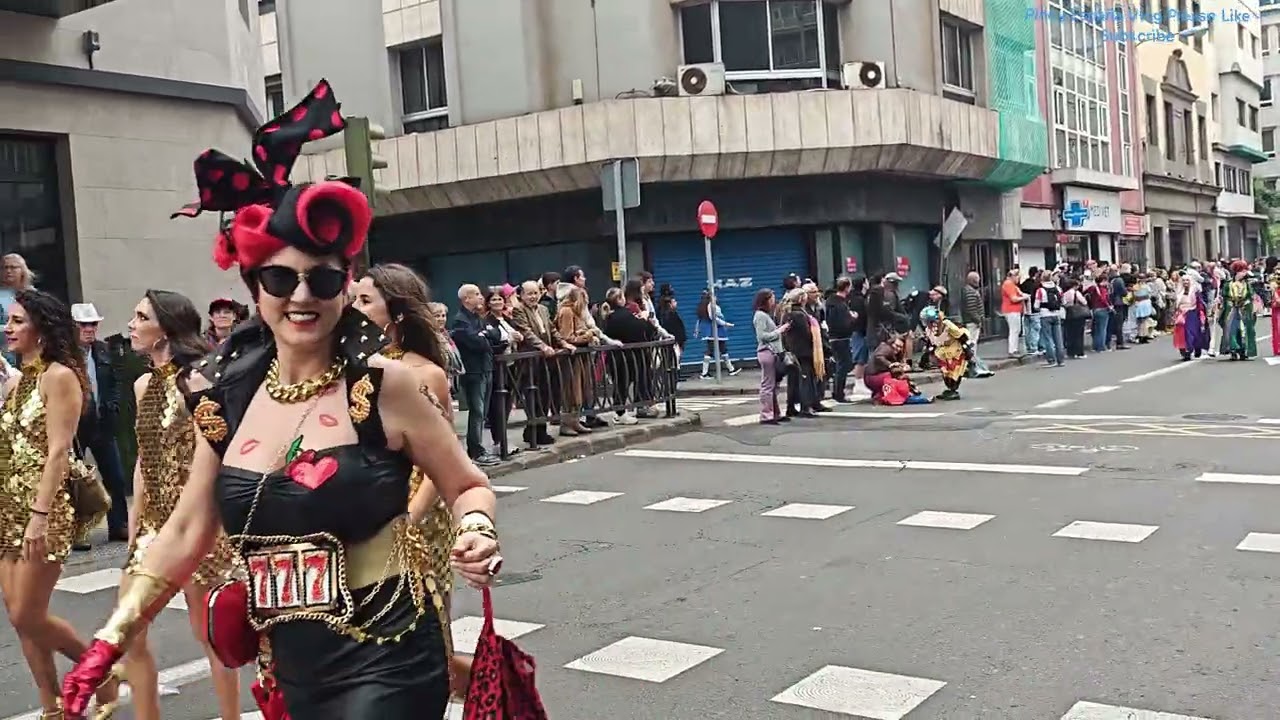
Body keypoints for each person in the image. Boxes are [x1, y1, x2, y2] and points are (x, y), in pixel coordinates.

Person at [61, 81, 500, 720]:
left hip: (388, 646)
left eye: (322, 278)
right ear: (254, 286)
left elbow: (468, 484)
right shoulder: (224, 400)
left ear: (344, 287)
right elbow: (186, 528)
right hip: (289, 660)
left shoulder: (384, 386)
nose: (302, 296)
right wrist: (111, 638)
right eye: (279, 278)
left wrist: (477, 530)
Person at [351, 263, 473, 698]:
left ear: (397, 312)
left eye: (365, 301)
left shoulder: (425, 374)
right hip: (364, 517)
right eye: (353, 300)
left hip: (417, 521)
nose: (354, 309)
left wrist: (408, 520)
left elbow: (442, 464)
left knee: (424, 626)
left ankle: (455, 684)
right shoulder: (352, 367)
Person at [1, 289, 122, 719]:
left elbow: (57, 451)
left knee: (28, 614)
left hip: (43, 512)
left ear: (41, 328)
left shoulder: (59, 376)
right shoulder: (20, 379)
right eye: (8, 321)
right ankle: (53, 706)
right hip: (8, 510)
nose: (7, 328)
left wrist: (38, 515)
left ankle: (100, 671)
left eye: (17, 321)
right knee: (21, 621)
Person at [121, 289, 240, 720]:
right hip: (154, 522)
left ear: (165, 329)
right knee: (129, 630)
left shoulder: (199, 379)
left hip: (198, 523)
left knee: (207, 632)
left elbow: (218, 451)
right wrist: (135, 519)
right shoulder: (141, 385)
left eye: (140, 317)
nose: (131, 325)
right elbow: (144, 454)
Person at [71, 302, 129, 547]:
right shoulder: (64, 355)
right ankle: (77, 530)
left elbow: (114, 382)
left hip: (102, 422)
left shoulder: (103, 350)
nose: (89, 329)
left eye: (93, 323)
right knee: (76, 480)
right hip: (75, 423)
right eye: (84, 324)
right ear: (73, 327)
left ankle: (119, 525)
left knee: (115, 476)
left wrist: (113, 405)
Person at [752, 289, 791, 425]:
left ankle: (775, 413)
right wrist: (779, 331)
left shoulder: (765, 315)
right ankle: (766, 415)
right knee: (768, 385)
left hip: (772, 353)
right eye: (772, 298)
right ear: (765, 300)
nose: (774, 301)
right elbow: (762, 336)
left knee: (773, 385)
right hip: (767, 352)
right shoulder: (761, 316)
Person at [919, 305, 969, 400]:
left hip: (955, 351)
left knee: (954, 372)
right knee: (945, 372)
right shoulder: (929, 329)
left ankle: (953, 390)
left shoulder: (947, 325)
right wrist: (927, 354)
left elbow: (961, 336)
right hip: (942, 353)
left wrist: (967, 349)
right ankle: (949, 389)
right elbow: (932, 342)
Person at [1218, 259, 1259, 360]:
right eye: (1242, 271)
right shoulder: (1228, 284)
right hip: (1232, 310)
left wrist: (1248, 303)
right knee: (1232, 329)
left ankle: (1243, 350)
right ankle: (1233, 350)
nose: (1244, 273)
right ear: (1237, 271)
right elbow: (1224, 296)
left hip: (1244, 309)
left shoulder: (1247, 284)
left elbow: (1251, 295)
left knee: (1244, 330)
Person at [1172, 271, 1209, 361]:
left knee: (1192, 333)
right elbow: (1176, 305)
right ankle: (1185, 350)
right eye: (1184, 281)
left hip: (1192, 313)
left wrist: (1202, 314)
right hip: (1181, 314)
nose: (1185, 282)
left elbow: (1200, 303)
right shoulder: (1179, 292)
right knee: (1181, 333)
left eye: (1187, 280)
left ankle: (1195, 348)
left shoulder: (1195, 292)